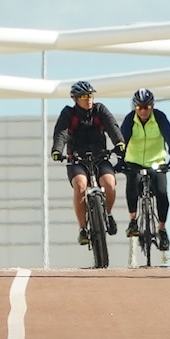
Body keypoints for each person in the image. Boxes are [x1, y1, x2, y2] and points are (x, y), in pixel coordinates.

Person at [50, 80, 126, 246]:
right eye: (84, 96)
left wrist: (119, 142)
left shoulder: (100, 110)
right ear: (76, 99)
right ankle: (83, 229)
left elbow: (112, 126)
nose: (89, 99)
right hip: (77, 159)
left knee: (109, 183)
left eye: (90, 95)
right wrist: (57, 150)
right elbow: (61, 133)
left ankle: (107, 213)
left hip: (100, 156)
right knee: (81, 186)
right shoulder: (69, 114)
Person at [118, 88, 170, 251]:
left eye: (147, 107)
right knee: (132, 186)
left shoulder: (159, 118)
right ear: (135, 108)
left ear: (152, 106)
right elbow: (122, 141)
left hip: (156, 162)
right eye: (139, 108)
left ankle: (162, 229)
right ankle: (133, 221)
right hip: (134, 161)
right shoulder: (130, 120)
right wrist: (120, 160)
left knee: (161, 192)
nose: (144, 111)